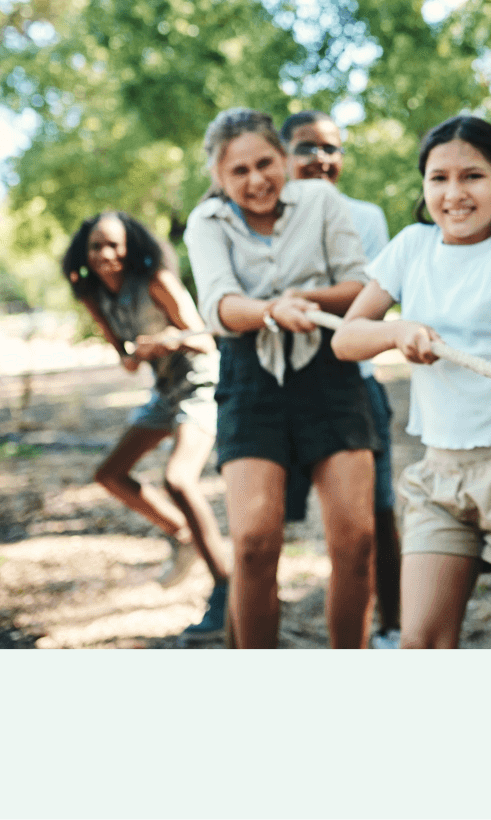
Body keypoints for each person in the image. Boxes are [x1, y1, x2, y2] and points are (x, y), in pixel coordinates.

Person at [332, 115, 491, 649]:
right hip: (440, 474)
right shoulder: (410, 248)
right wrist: (396, 330)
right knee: (420, 644)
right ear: (424, 187)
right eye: (438, 178)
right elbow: (346, 338)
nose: (454, 193)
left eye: (472, 176)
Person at [182, 109, 379, 649]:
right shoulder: (206, 223)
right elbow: (219, 306)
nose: (256, 179)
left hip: (329, 372)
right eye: (238, 171)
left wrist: (306, 301)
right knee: (253, 541)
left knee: (357, 540)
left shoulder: (319, 201)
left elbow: (360, 287)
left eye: (265, 163)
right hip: (251, 377)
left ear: (283, 159)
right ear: (219, 179)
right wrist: (271, 311)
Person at [62, 211, 233, 644]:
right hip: (164, 388)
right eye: (97, 246)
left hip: (200, 380)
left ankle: (228, 589)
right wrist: (132, 355)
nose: (106, 255)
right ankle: (182, 532)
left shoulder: (155, 278)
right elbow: (122, 353)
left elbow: (206, 336)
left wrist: (167, 341)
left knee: (178, 478)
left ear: (131, 247)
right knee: (109, 475)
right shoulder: (92, 293)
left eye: (115, 245)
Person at [279, 107, 404, 649]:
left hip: (356, 383)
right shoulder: (263, 215)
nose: (321, 158)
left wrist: (298, 297)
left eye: (332, 147)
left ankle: (391, 626)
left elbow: (366, 298)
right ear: (283, 157)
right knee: (260, 530)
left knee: (374, 519)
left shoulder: (365, 214)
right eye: (307, 147)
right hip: (279, 387)